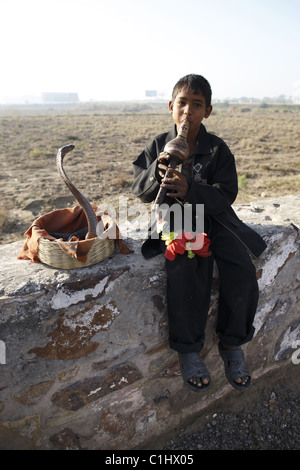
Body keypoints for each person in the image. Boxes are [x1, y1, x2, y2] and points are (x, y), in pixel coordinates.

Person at [131, 74, 266, 392]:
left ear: (207, 111)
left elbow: (226, 193)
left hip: (216, 218)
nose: (188, 112)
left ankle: (232, 345)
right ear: (170, 107)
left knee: (241, 268)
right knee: (188, 265)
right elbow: (140, 190)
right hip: (179, 218)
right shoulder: (157, 145)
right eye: (182, 103)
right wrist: (157, 171)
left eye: (197, 105)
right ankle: (189, 349)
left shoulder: (217, 149)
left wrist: (191, 188)